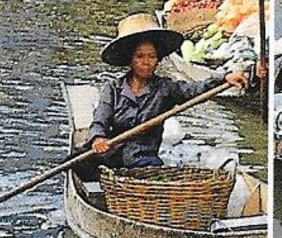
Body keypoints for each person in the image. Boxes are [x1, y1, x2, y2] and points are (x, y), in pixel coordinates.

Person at [87, 14, 250, 170]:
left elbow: (195, 91)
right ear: (130, 59)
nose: (146, 62)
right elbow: (100, 120)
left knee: (152, 173)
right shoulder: (113, 89)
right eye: (140, 56)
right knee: (81, 162)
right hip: (112, 156)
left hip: (144, 159)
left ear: (158, 60)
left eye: (152, 56)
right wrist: (98, 139)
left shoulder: (165, 88)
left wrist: (224, 78)